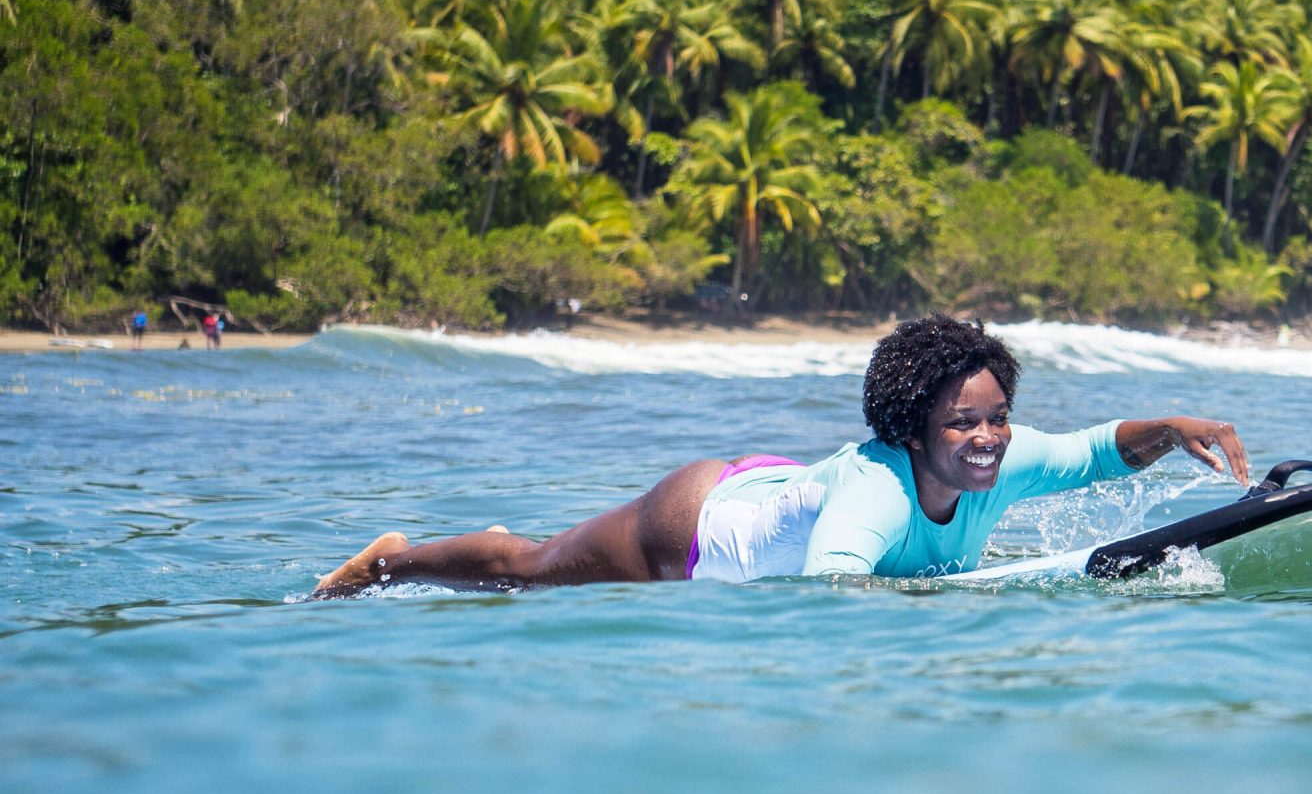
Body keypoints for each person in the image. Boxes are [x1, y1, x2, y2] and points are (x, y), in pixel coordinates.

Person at [313, 313, 1249, 595]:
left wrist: (1174, 427)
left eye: (997, 416)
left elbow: (1094, 449)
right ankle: (388, 561)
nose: (988, 437)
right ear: (911, 427)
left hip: (781, 483)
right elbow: (832, 590)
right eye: (964, 423)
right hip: (693, 530)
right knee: (529, 570)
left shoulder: (1001, 459)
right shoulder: (877, 498)